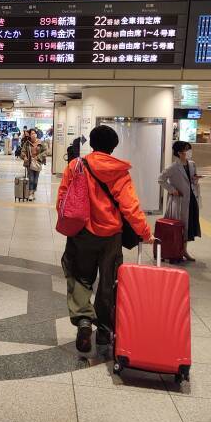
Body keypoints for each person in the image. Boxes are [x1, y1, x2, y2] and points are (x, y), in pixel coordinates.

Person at [58, 125, 154, 353]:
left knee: (80, 276)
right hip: (111, 235)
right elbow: (130, 207)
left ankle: (83, 320)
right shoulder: (119, 171)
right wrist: (145, 233)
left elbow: (63, 197)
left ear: (91, 143)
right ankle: (103, 330)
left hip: (82, 233)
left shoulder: (76, 165)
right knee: (109, 281)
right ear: (114, 146)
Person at [158, 141, 202, 262]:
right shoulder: (173, 167)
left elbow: (192, 181)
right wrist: (173, 190)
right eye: (186, 150)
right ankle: (175, 250)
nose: (188, 152)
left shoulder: (192, 165)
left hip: (191, 199)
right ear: (179, 153)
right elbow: (161, 179)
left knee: (189, 226)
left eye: (189, 149)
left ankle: (184, 250)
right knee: (179, 227)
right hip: (179, 201)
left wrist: (195, 180)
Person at [20, 129, 47, 201]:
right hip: (29, 163)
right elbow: (23, 151)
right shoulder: (27, 143)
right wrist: (24, 156)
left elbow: (46, 151)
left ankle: (33, 192)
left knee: (35, 179)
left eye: (34, 133)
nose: (33, 134)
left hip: (38, 163)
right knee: (31, 178)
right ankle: (30, 193)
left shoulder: (41, 142)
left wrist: (38, 157)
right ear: (29, 135)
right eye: (32, 133)